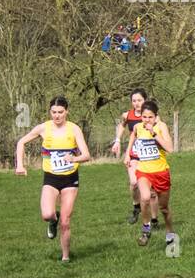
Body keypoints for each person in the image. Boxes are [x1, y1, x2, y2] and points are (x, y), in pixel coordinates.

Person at [15, 97, 92, 262]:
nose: (57, 116)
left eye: (60, 112)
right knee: (47, 214)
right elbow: (21, 142)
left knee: (65, 221)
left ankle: (65, 257)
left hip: (70, 179)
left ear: (67, 112)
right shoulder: (43, 128)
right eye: (54, 112)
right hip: (50, 178)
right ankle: (52, 220)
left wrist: (74, 159)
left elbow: (86, 155)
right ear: (50, 112)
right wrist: (20, 165)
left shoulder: (74, 129)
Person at [127, 99, 175, 249]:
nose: (147, 120)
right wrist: (128, 154)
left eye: (150, 117)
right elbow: (132, 136)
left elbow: (170, 148)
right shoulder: (137, 127)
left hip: (161, 172)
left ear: (156, 117)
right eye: (144, 117)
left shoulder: (161, 127)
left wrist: (154, 134)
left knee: (164, 209)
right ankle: (146, 228)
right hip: (144, 171)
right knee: (146, 198)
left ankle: (170, 233)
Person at [111, 89, 148, 225]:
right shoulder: (127, 115)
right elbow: (122, 126)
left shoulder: (151, 115)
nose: (137, 103)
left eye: (139, 100)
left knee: (150, 189)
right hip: (133, 154)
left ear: (145, 100)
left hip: (148, 155)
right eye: (134, 101)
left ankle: (152, 217)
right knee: (133, 183)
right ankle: (136, 207)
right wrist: (117, 140)